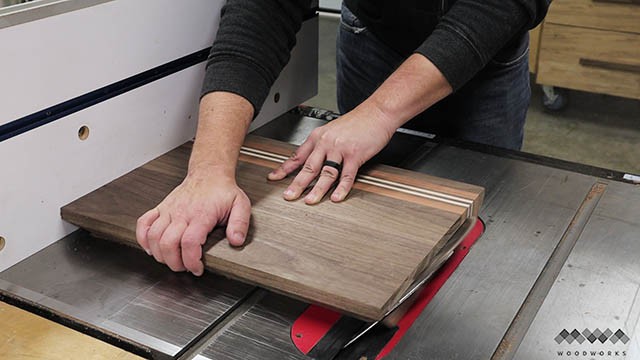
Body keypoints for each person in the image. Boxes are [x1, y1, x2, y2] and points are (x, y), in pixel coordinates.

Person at [136, 0, 550, 276]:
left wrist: (380, 111)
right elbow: (263, 9)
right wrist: (209, 169)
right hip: (376, 34)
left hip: (487, 48)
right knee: (362, 218)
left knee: (479, 241)